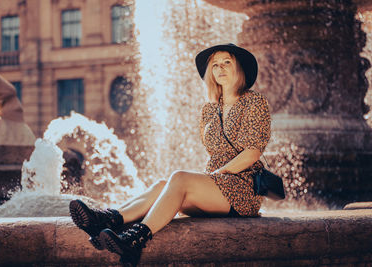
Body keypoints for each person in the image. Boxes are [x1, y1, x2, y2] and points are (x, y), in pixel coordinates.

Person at [69, 43, 271, 266]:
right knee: (162, 186)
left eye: (226, 63)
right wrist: (212, 179)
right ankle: (108, 219)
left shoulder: (254, 101)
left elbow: (253, 152)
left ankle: (136, 239)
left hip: (243, 187)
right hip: (217, 186)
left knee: (179, 178)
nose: (219, 68)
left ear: (239, 68)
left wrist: (217, 175)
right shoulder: (210, 109)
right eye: (214, 65)